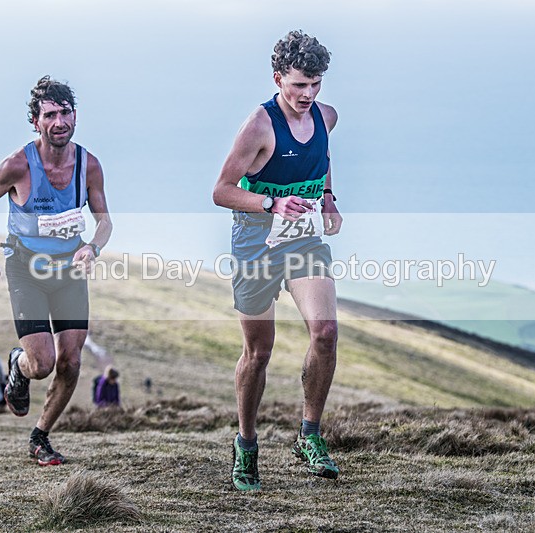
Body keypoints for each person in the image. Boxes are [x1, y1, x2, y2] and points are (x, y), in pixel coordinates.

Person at [212, 30, 343, 490]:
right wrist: (271, 205)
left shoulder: (326, 116)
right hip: (256, 241)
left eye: (315, 84)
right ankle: (246, 444)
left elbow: (322, 159)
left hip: (304, 239)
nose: (308, 95)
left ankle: (309, 435)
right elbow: (221, 192)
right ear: (278, 79)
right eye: (299, 85)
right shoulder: (259, 126)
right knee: (259, 353)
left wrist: (327, 197)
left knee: (325, 333)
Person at [0, 76, 113, 466]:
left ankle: (40, 437)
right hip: (26, 268)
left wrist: (92, 246)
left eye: (65, 112)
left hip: (69, 268)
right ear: (35, 121)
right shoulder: (18, 164)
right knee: (43, 364)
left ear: (75, 116)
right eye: (49, 114)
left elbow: (105, 221)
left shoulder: (89, 165)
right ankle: (19, 363)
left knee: (71, 361)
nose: (59, 121)